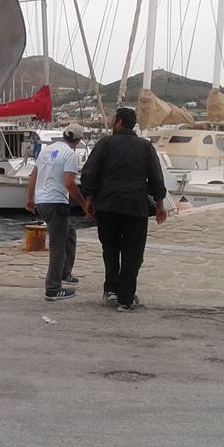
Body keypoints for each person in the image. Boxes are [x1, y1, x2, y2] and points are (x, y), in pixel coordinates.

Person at [80, 108, 167, 312]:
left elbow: (90, 173)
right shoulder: (145, 147)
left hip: (107, 205)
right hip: (135, 207)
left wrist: (89, 199)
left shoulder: (105, 144)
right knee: (133, 253)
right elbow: (156, 177)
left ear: (118, 122)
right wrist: (160, 205)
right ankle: (126, 299)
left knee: (110, 248)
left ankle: (111, 290)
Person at [25, 123, 88, 301]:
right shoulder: (70, 154)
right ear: (78, 140)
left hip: (42, 202)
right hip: (56, 202)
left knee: (70, 234)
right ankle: (53, 288)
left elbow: (33, 176)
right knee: (58, 247)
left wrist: (29, 199)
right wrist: (83, 203)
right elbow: (69, 182)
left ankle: (64, 273)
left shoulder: (46, 150)